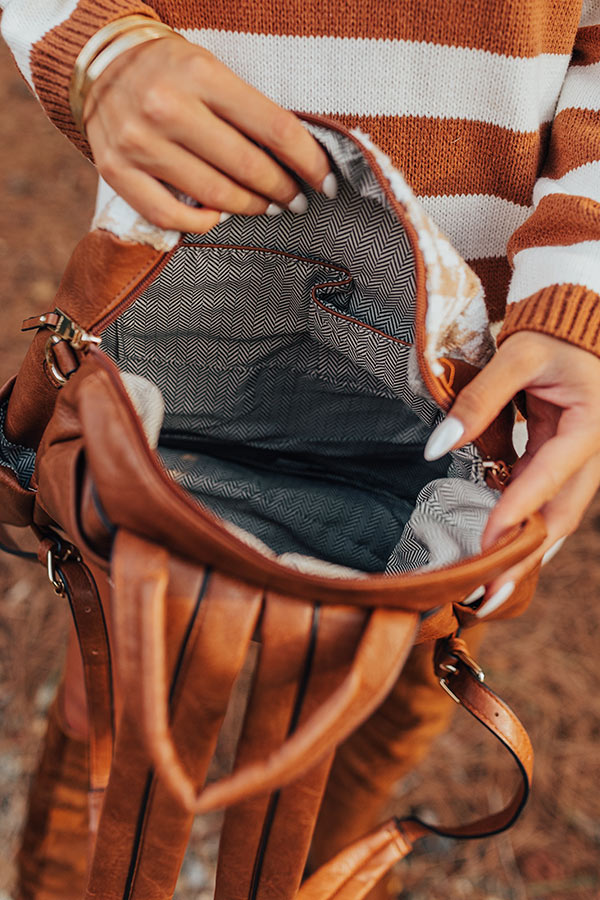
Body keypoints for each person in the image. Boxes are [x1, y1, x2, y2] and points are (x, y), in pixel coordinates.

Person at [1, 1, 599, 897]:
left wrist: (581, 291)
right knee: (115, 694)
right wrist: (90, 41)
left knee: (379, 692)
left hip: (475, 379)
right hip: (179, 295)